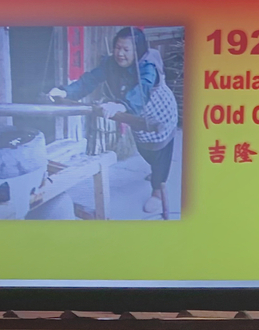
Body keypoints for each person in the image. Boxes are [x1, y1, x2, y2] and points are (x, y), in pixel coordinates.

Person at [48, 26, 178, 217]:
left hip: (160, 111)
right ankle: (157, 173)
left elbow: (143, 89)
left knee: (160, 152)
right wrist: (66, 91)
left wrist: (120, 105)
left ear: (138, 51)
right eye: (118, 47)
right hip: (134, 113)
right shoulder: (110, 63)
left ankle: (158, 191)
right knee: (145, 150)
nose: (120, 54)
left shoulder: (147, 65)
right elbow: (90, 80)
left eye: (126, 50)